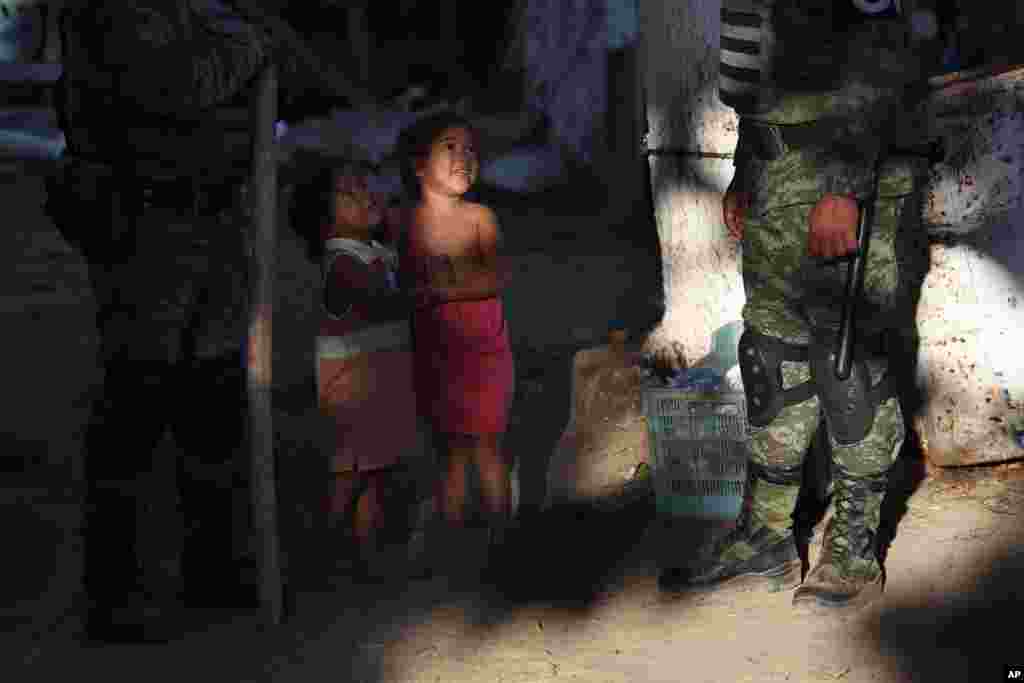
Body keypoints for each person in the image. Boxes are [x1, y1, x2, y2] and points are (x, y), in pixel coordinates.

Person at [49, 0, 372, 642]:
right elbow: (175, 83)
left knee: (214, 402)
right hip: (145, 230)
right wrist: (254, 45)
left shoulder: (208, 11)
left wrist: (273, 40)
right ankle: (120, 593)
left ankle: (216, 569)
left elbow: (317, 87)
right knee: (137, 405)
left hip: (216, 224)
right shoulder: (114, 13)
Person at [659, 0, 946, 611]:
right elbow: (756, 69)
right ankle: (765, 535)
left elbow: (882, 43)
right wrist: (746, 167)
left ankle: (854, 548)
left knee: (850, 368)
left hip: (847, 176)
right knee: (772, 358)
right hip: (775, 175)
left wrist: (843, 190)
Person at [293, 161, 424, 579]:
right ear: (324, 218)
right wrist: (433, 290)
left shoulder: (375, 253)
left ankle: (360, 556)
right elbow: (383, 302)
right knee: (350, 474)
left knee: (373, 473)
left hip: (379, 382)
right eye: (350, 193)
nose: (367, 196)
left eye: (366, 187)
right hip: (351, 387)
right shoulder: (342, 262)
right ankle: (324, 550)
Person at [396, 112, 515, 564]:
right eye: (450, 147)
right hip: (438, 354)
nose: (465, 158)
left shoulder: (481, 217)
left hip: (485, 353)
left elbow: (498, 276)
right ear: (418, 165)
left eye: (471, 150)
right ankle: (455, 555)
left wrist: (440, 288)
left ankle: (502, 545)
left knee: (487, 446)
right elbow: (406, 286)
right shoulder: (406, 222)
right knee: (449, 452)